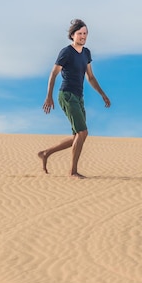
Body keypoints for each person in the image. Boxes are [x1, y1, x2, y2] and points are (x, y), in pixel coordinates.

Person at [38, 19, 111, 178]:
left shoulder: (86, 53)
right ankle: (72, 172)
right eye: (79, 34)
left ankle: (46, 153)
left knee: (78, 136)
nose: (83, 36)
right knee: (82, 132)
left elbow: (90, 77)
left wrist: (102, 94)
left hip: (79, 97)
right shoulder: (66, 52)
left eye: (85, 34)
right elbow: (54, 73)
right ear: (72, 35)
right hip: (67, 95)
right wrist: (49, 96)